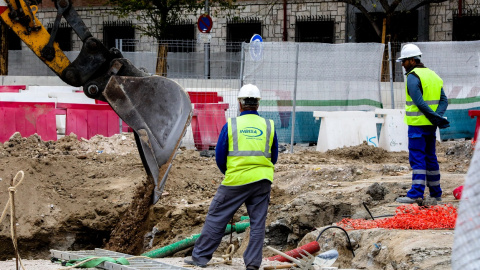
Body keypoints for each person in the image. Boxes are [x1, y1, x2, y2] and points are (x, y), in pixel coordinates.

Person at [184, 84, 278, 270]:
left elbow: (220, 156)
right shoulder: (269, 125)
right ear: (258, 104)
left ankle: (200, 257)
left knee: (216, 216)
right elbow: (273, 156)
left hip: (236, 180)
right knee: (257, 223)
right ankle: (252, 264)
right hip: (263, 180)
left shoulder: (232, 125)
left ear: (240, 104)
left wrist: (231, 173)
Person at [395, 44, 450, 204]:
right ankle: (435, 194)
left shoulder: (413, 76)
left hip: (417, 126)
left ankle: (416, 194)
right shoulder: (433, 75)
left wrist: (434, 117)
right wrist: (437, 118)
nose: (402, 64)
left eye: (404, 61)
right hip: (430, 126)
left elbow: (419, 103)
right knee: (430, 157)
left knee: (417, 158)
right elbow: (444, 100)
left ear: (412, 60)